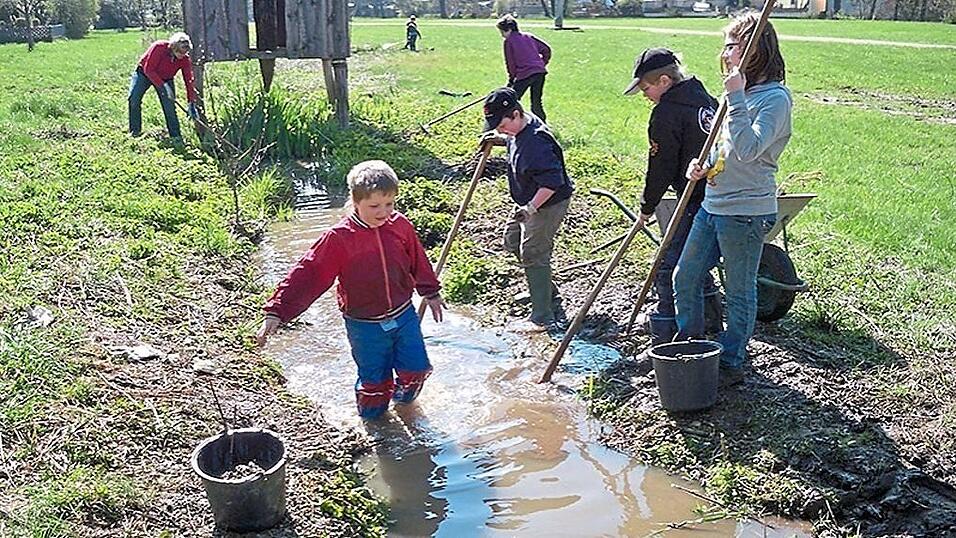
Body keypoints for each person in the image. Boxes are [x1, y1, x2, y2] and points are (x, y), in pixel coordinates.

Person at [256, 160, 445, 419]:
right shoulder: (339, 238)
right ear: (355, 202)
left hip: (403, 314)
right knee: (374, 384)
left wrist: (430, 292)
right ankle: (375, 425)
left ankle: (404, 404)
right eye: (375, 206)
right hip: (364, 324)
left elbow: (418, 260)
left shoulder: (400, 226)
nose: (384, 212)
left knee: (417, 370)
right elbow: (309, 273)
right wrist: (277, 311)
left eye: (389, 204)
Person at [674, 11, 792, 386]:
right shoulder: (736, 93)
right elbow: (723, 149)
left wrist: (736, 96)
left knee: (739, 291)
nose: (725, 51)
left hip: (745, 212)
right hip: (713, 204)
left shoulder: (774, 99)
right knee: (685, 276)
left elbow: (748, 149)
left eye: (732, 44)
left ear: (754, 48)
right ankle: (690, 348)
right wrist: (702, 164)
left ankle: (732, 360)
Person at [622, 47, 723, 345]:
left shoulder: (666, 113)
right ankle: (712, 320)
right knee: (697, 262)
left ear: (664, 81)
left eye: (646, 87)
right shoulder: (705, 99)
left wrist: (646, 207)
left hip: (693, 199)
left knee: (669, 264)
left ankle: (667, 334)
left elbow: (661, 167)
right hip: (718, 195)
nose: (644, 95)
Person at [481, 87, 573, 333]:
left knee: (533, 251)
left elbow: (552, 183)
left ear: (515, 114)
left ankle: (542, 316)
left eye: (501, 125)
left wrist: (531, 208)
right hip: (527, 198)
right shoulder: (517, 129)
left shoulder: (537, 141)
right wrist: (498, 139)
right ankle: (544, 289)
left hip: (548, 202)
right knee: (511, 240)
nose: (499, 129)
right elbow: (513, 139)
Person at [129, 32, 198, 139]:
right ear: (173, 48)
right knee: (134, 99)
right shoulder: (159, 47)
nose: (181, 56)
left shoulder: (184, 59)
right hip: (144, 74)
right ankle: (135, 132)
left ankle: (176, 137)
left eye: (184, 53)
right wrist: (164, 86)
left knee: (169, 106)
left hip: (166, 78)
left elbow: (188, 81)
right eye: (179, 53)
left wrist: (191, 103)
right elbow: (149, 70)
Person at [496, 15, 551, 123]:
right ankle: (543, 125)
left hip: (525, 74)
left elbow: (510, 62)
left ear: (509, 29)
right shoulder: (528, 36)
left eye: (502, 32)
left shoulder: (509, 41)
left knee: (512, 100)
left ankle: (511, 122)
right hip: (539, 72)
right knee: (536, 102)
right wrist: (541, 64)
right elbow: (546, 49)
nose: (502, 35)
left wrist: (511, 79)